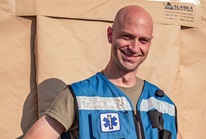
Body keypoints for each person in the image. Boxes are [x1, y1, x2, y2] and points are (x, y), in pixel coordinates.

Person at [24, 5, 182, 139]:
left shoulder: (163, 104)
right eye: (127, 36)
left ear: (150, 43)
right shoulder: (80, 96)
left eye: (143, 40)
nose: (134, 48)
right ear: (110, 35)